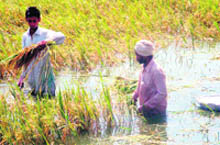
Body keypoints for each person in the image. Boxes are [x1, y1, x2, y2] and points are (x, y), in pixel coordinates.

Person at [17, 7, 65, 97]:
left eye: (34, 21)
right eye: (29, 21)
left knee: (48, 100)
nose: (32, 23)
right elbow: (25, 59)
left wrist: (47, 41)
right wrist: (22, 77)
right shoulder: (25, 36)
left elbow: (61, 36)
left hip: (44, 75)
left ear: (39, 19)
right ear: (26, 20)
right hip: (32, 77)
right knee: (35, 101)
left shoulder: (45, 33)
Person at [133, 40, 167, 120]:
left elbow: (162, 94)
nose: (136, 58)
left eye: (137, 55)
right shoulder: (144, 67)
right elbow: (140, 84)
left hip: (156, 113)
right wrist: (135, 95)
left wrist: (145, 106)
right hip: (145, 110)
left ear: (144, 56)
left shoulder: (156, 71)